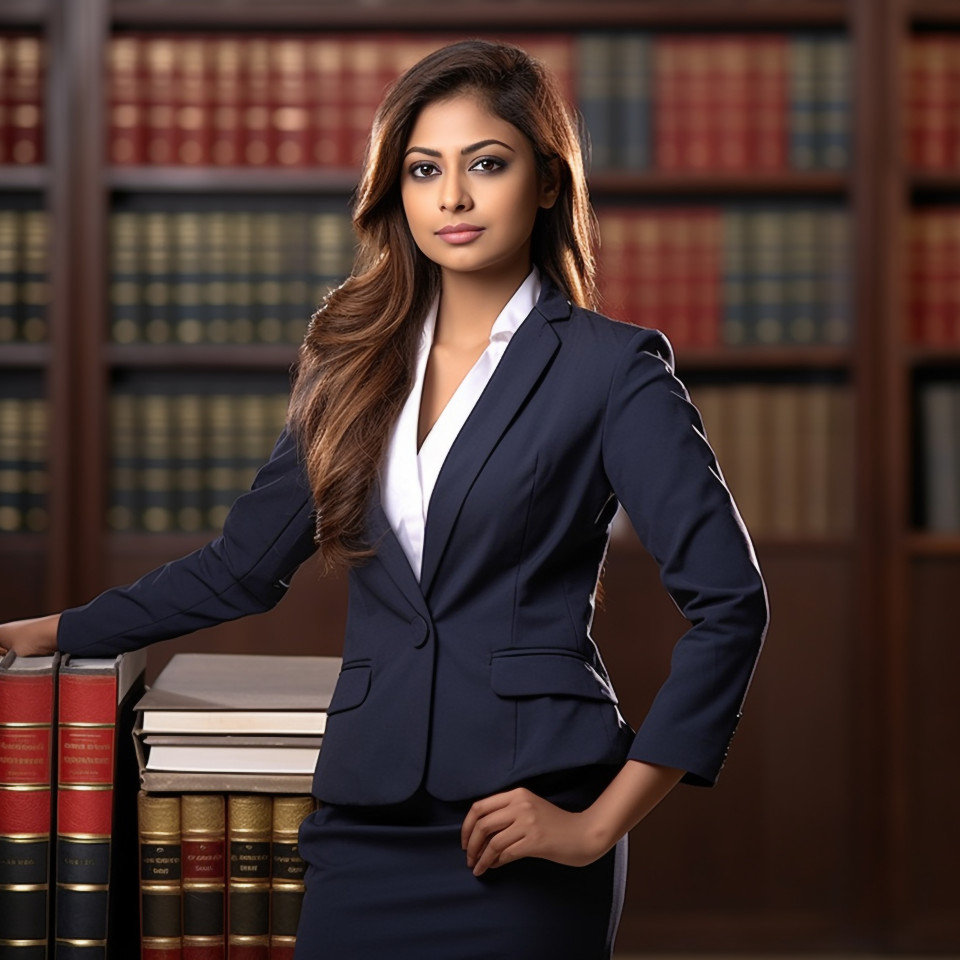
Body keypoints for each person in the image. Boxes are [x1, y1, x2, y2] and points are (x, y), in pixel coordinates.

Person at [0, 39, 769, 960]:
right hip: (363, 813)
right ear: (395, 191)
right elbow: (241, 568)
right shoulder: (351, 361)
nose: (452, 198)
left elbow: (731, 605)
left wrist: (598, 824)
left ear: (548, 183)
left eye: (486, 164)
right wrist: (56, 631)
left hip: (526, 814)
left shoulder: (611, 368)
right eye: (423, 169)